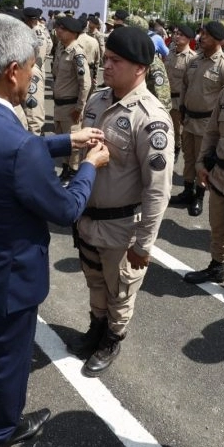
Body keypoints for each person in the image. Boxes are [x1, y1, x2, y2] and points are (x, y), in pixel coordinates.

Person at [0, 14, 109, 447]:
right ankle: (1, 429)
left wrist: (66, 141)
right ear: (13, 70)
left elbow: (0, 153)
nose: (33, 74)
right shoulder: (17, 144)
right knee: (9, 356)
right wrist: (88, 166)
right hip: (7, 272)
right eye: (31, 66)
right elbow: (65, 207)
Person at [69, 26, 174, 377]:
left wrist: (144, 244)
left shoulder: (151, 118)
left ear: (139, 68)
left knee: (120, 289)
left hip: (121, 227)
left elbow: (157, 190)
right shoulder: (99, 99)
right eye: (107, 58)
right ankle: (96, 328)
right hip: (88, 218)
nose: (106, 66)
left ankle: (113, 337)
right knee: (95, 281)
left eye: (115, 61)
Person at [170, 21, 224, 217]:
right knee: (189, 159)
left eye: (206, 35)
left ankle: (198, 196)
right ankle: (187, 191)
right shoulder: (194, 60)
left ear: (217, 40)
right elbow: (186, 85)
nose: (201, 37)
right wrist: (182, 108)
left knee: (202, 160)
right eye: (202, 34)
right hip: (189, 119)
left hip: (207, 124)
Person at [185, 79, 224, 302]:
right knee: (218, 226)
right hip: (221, 175)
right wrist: (201, 163)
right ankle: (216, 266)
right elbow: (212, 132)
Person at [52, 15, 91, 183]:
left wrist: (79, 108)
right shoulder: (61, 48)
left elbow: (86, 83)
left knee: (74, 143)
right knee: (62, 140)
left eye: (62, 29)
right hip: (59, 104)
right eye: (58, 27)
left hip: (71, 106)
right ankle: (66, 170)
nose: (58, 31)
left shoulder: (77, 53)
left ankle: (74, 174)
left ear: (73, 33)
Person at [164, 24, 196, 163]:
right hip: (164, 98)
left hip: (178, 101)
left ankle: (176, 150)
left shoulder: (192, 58)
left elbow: (191, 84)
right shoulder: (170, 52)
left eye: (181, 35)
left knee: (177, 130)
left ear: (189, 39)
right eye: (176, 34)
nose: (177, 36)